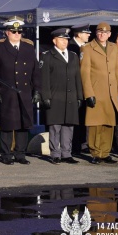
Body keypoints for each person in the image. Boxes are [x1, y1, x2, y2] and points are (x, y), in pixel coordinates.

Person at [0, 16, 41, 165]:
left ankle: (20, 154)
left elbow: (35, 72)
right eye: (13, 31)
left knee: (23, 124)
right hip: (8, 92)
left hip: (24, 92)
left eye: (19, 31)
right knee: (7, 125)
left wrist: (37, 90)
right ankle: (6, 154)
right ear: (7, 32)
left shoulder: (29, 48)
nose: (17, 34)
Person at [80, 22, 118, 164]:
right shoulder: (87, 48)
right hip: (96, 91)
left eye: (105, 33)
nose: (102, 35)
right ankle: (95, 153)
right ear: (96, 33)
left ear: (109, 34)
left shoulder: (113, 48)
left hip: (111, 92)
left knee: (109, 123)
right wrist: (88, 94)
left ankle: (105, 153)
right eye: (100, 32)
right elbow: (84, 73)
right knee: (95, 124)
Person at [40, 28, 83, 165]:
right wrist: (45, 96)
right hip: (55, 96)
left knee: (68, 126)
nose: (65, 42)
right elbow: (44, 79)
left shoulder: (73, 56)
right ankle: (55, 154)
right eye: (62, 39)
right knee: (55, 126)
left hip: (70, 97)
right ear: (54, 41)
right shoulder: (47, 56)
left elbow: (77, 78)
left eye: (66, 39)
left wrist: (79, 96)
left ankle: (66, 153)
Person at [68, 23, 92, 155]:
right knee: (75, 117)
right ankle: (75, 145)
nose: (89, 35)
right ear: (78, 34)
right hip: (73, 87)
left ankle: (84, 143)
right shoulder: (71, 47)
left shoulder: (87, 47)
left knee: (84, 116)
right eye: (86, 32)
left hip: (84, 87)